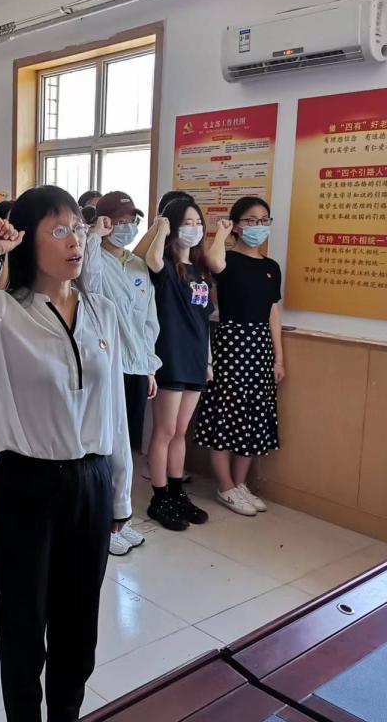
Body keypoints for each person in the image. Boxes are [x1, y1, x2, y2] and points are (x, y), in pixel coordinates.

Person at [0, 187, 131, 722]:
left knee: (78, 624)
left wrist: (120, 492)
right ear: (28, 241)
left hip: (90, 481)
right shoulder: (0, 311)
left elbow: (115, 411)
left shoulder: (102, 311)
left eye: (77, 229)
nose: (75, 241)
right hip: (25, 485)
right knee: (21, 624)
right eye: (58, 231)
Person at [80, 191, 161, 556]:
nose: (126, 227)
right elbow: (90, 286)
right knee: (105, 446)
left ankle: (119, 519)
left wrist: (149, 366)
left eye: (131, 221)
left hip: (135, 366)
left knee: (127, 448)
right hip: (105, 366)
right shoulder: (91, 255)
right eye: (119, 221)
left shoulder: (137, 265)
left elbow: (148, 321)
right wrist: (93, 237)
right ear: (103, 221)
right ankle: (102, 523)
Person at [195, 197, 283, 515]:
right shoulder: (227, 260)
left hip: (261, 347)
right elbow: (212, 262)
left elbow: (273, 313)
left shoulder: (271, 267)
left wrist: (279, 358)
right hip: (232, 343)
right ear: (237, 224)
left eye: (264, 220)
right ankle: (225, 486)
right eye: (250, 220)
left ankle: (240, 483)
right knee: (226, 415)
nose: (258, 226)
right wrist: (221, 233)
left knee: (254, 417)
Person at [144, 198, 227, 531]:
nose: (193, 229)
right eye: (186, 223)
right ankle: (159, 496)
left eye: (197, 223)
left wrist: (207, 360)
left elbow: (203, 320)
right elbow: (150, 258)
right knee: (164, 431)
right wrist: (161, 227)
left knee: (180, 432)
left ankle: (177, 492)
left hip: (194, 358)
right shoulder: (164, 266)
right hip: (170, 356)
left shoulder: (201, 271)